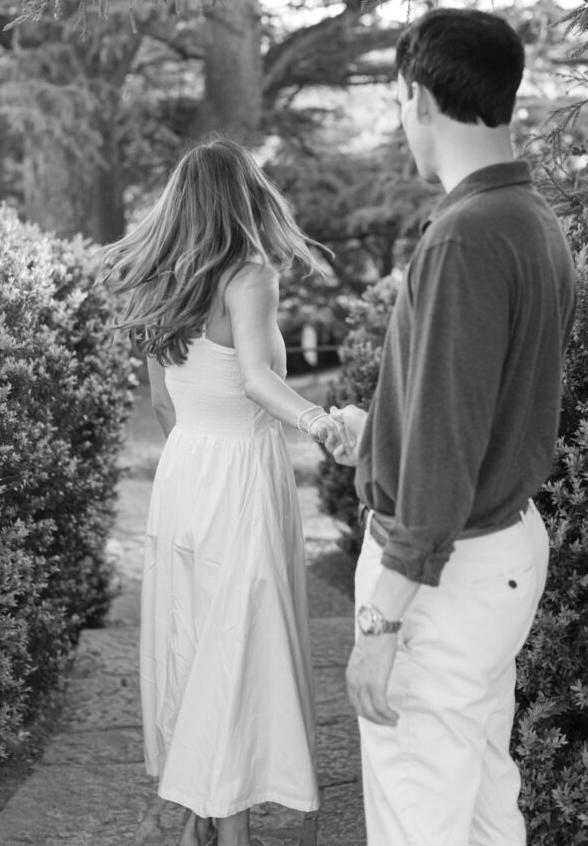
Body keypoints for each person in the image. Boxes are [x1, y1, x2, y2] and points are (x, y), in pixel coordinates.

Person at [325, 8, 577, 846]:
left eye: (399, 100)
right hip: (492, 551)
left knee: (419, 813)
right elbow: (475, 410)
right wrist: (380, 433)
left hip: (443, 571)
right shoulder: (528, 219)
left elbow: (445, 451)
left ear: (419, 97)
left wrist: (380, 625)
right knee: (474, 800)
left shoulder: (464, 237)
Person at [103, 139, 344, 846]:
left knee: (193, 638)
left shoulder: (160, 285)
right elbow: (256, 379)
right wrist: (318, 420)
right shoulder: (251, 275)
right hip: (240, 475)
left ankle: (202, 816)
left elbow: (164, 403)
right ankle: (227, 831)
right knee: (237, 646)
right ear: (246, 197)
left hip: (184, 476)